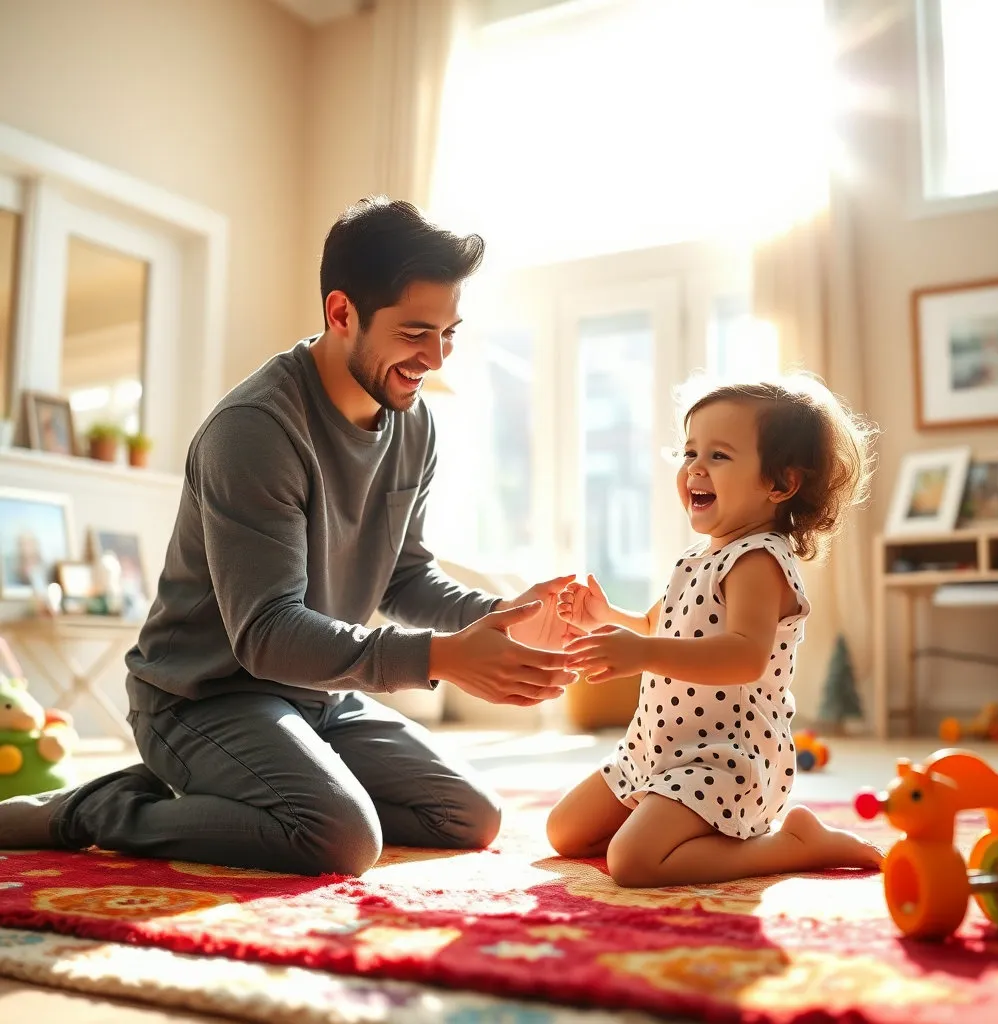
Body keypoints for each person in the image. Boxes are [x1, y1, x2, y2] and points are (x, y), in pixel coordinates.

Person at [0, 197, 577, 876]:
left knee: (468, 817)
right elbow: (267, 633)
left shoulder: (413, 424)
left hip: (317, 693)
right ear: (341, 313)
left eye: (449, 332)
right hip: (201, 697)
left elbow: (403, 575)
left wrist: (501, 618)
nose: (436, 358)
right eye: (416, 331)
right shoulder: (256, 430)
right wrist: (440, 658)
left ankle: (254, 788)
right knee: (339, 838)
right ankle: (94, 809)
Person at [547, 375, 883, 888]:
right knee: (564, 832)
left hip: (725, 759)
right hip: (655, 749)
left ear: (780, 484)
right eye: (689, 452)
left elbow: (744, 655)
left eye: (719, 456)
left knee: (632, 862)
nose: (695, 469)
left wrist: (640, 652)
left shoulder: (758, 560)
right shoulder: (695, 558)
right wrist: (609, 617)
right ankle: (694, 830)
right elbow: (660, 627)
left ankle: (791, 846)